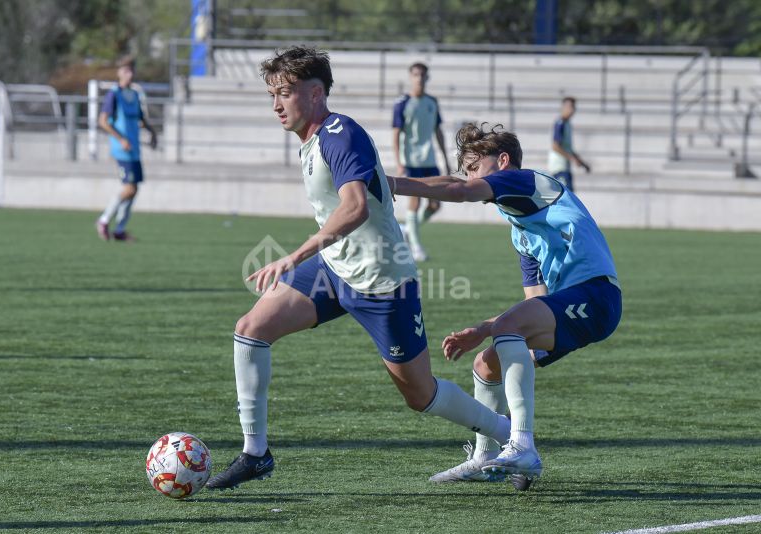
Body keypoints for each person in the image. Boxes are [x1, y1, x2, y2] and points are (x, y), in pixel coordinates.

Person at [205, 47, 512, 491]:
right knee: (252, 327)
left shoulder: (339, 133)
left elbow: (354, 209)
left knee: (420, 395)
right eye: (272, 94)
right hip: (334, 270)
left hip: (383, 282)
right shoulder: (312, 140)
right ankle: (256, 453)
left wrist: (295, 255)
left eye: (284, 93)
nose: (275, 104)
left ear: (315, 94)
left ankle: (508, 435)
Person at [389, 123, 621, 489]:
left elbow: (460, 191)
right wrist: (482, 330)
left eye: (475, 168)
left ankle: (523, 445)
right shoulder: (520, 229)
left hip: (597, 297)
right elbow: (536, 302)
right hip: (571, 305)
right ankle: (485, 454)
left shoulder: (526, 181)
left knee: (508, 329)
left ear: (502, 161)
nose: (471, 178)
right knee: (486, 362)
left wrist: (394, 184)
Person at [392, 62, 451, 262]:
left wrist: (445, 158)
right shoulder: (402, 102)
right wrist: (399, 161)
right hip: (411, 161)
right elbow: (396, 133)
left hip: (429, 160)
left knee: (435, 204)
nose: (419, 78)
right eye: (416, 75)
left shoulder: (432, 102)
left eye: (423, 75)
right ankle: (416, 248)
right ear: (410, 77)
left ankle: (408, 229)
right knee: (415, 201)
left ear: (427, 78)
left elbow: (438, 131)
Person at [95, 55, 157, 241]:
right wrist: (120, 138)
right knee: (129, 188)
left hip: (134, 148)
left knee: (134, 189)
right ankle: (104, 220)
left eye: (131, 70)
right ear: (119, 73)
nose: (128, 74)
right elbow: (103, 121)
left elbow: (141, 119)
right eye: (125, 70)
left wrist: (152, 133)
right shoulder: (114, 94)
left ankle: (120, 229)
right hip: (122, 148)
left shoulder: (135, 95)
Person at [547, 96, 589, 192]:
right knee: (565, 196)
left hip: (565, 167)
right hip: (559, 167)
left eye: (574, 107)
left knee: (570, 195)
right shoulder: (560, 123)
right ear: (563, 107)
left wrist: (582, 163)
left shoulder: (568, 124)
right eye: (570, 107)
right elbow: (555, 146)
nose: (572, 110)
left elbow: (568, 148)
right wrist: (572, 158)